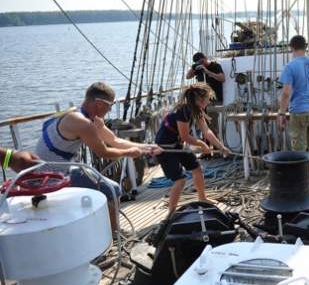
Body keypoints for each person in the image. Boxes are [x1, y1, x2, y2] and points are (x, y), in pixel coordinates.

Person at [34, 82, 163, 231]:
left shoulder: (84, 116)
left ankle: (106, 227)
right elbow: (104, 153)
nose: (111, 109)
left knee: (98, 182)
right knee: (112, 190)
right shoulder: (83, 123)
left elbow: (114, 140)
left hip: (61, 169)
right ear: (100, 103)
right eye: (111, 104)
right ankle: (114, 233)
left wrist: (147, 148)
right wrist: (129, 152)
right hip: (47, 176)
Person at [155, 83, 230, 214]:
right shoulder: (183, 111)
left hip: (177, 145)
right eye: (207, 98)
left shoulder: (196, 111)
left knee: (197, 169)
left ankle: (203, 198)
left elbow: (207, 131)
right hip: (165, 148)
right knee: (181, 180)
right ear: (199, 98)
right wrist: (202, 144)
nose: (208, 101)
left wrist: (221, 147)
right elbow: (184, 136)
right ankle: (171, 214)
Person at [278, 35, 309, 186]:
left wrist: (281, 113)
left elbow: (286, 93)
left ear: (291, 49)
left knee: (299, 149)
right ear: (306, 48)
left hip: (299, 111)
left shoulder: (290, 67)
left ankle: (302, 179)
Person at [186, 52, 226, 158]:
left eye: (201, 60)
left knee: (212, 126)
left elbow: (222, 78)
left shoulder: (215, 66)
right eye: (198, 62)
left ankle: (216, 151)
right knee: (203, 126)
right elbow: (188, 77)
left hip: (214, 101)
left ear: (206, 57)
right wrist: (194, 67)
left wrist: (208, 72)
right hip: (200, 102)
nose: (201, 63)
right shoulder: (198, 69)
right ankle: (206, 151)